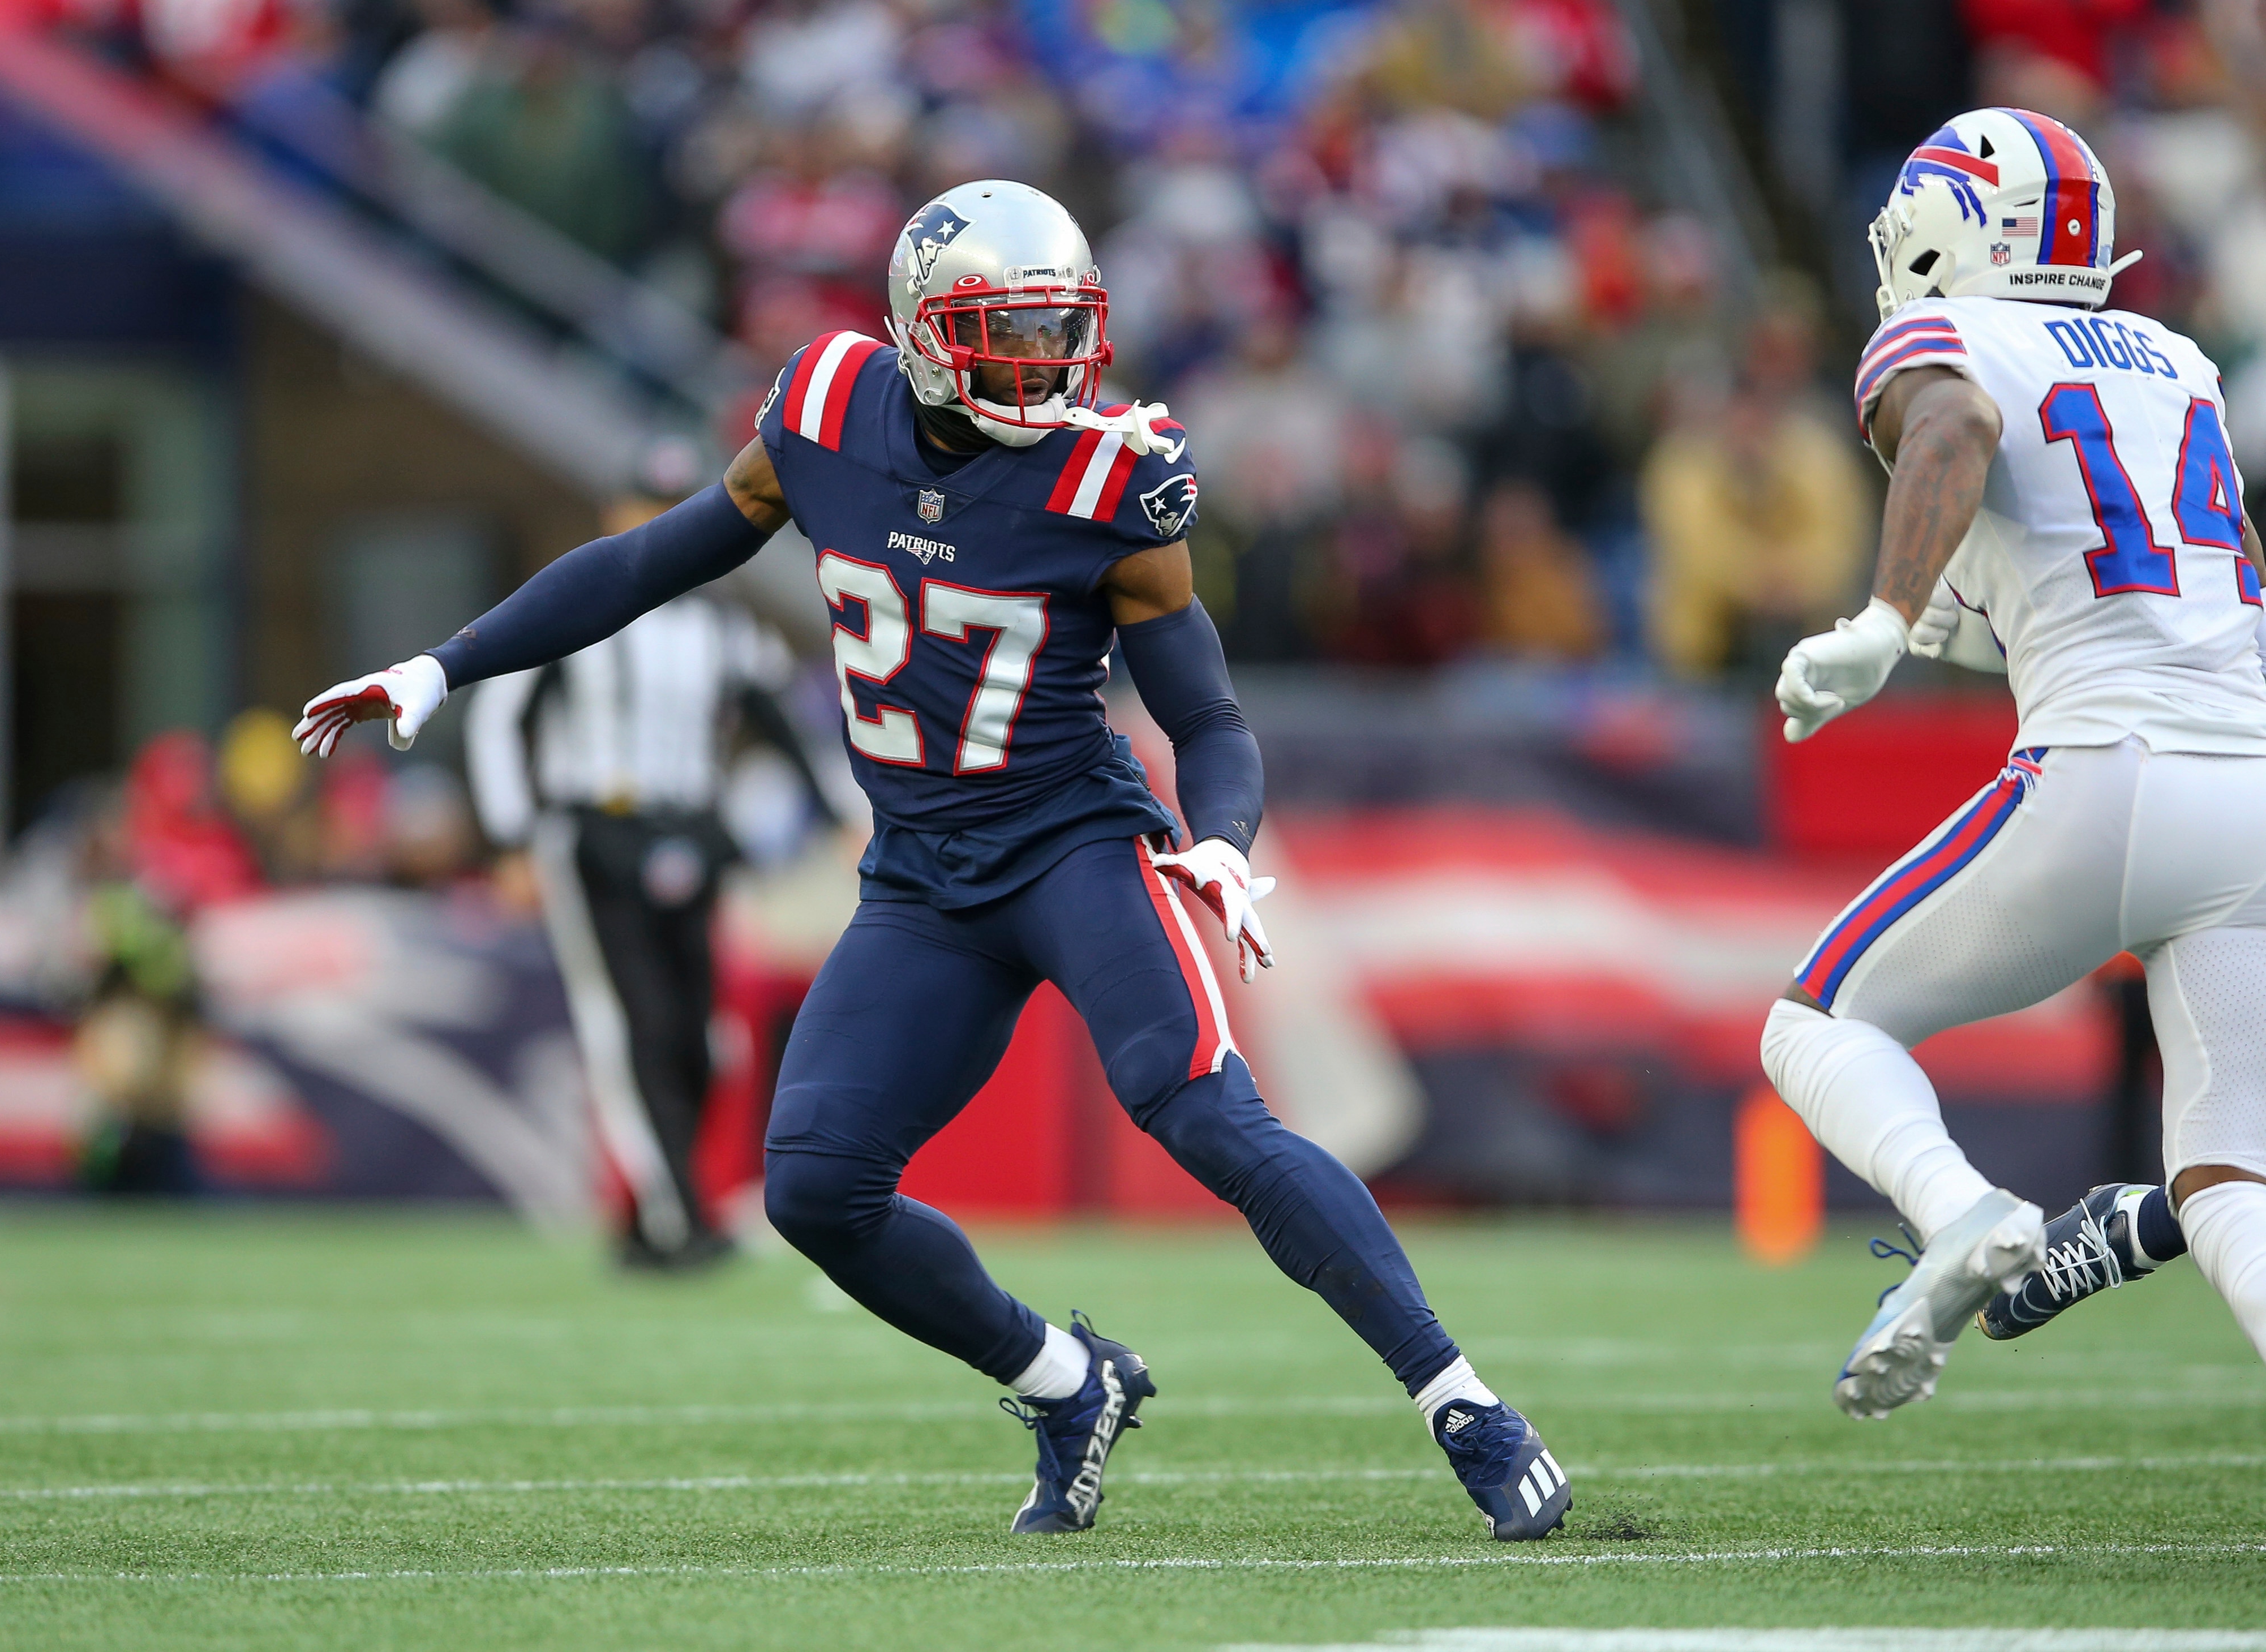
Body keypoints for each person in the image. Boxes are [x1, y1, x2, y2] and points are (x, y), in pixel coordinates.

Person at [292, 179, 1572, 1541]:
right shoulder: (827, 408)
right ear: (914, 331)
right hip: (918, 875)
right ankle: (1067, 1381)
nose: (1040, 365)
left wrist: (1217, 839)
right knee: (814, 1187)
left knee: (1203, 1110)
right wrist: (447, 664)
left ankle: (1466, 1405)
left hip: (1073, 845)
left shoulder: (1112, 473)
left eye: (1054, 331)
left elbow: (1201, 711)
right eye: (1000, 334)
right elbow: (659, 555)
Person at [1760, 108, 2266, 1418]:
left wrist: (1878, 621)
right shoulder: (2172, 360)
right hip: (2247, 788)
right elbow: (2228, 585)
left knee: (1817, 1021)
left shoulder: (1947, 337)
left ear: (1949, 231)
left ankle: (1962, 1206)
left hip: (2107, 770)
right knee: (2228, 1178)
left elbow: (1952, 430)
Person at [464, 475, 821, 1273]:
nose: (658, 522)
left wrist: (832, 813)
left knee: (697, 1037)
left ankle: (650, 1214)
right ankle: (678, 1215)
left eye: (672, 505)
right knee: (635, 1029)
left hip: (694, 830)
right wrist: (513, 837)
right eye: (643, 506)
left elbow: (777, 717)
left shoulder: (725, 625)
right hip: (594, 831)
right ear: (612, 512)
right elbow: (497, 717)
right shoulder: (579, 604)